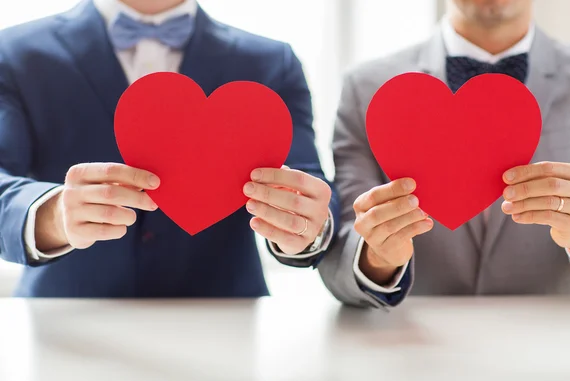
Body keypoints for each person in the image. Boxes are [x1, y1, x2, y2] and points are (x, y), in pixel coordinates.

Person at [0, 0, 339, 297]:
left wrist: (305, 226)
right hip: (63, 326)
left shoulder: (272, 63)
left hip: (224, 324)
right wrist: (52, 215)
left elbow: (310, 183)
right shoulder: (14, 53)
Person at [318, 0, 570, 308]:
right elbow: (339, 255)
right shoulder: (365, 87)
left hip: (562, 343)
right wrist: (378, 257)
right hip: (412, 344)